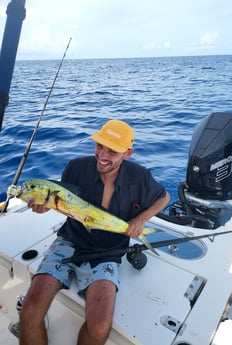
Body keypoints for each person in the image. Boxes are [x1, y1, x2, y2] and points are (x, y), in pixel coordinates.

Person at [19, 119, 170, 345]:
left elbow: (164, 198)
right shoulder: (75, 167)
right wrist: (42, 207)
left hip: (107, 251)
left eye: (112, 150)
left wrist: (140, 220)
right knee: (30, 310)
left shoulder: (140, 176)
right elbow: (61, 204)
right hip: (70, 240)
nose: (102, 155)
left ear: (127, 154)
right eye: (99, 145)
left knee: (99, 326)